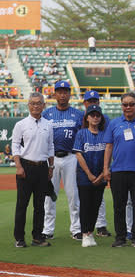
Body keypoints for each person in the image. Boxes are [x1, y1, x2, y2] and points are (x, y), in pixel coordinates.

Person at [103, 92, 135, 247]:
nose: (128, 107)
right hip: (118, 170)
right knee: (119, 205)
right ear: (121, 106)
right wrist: (106, 168)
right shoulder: (114, 123)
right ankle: (120, 237)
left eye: (131, 104)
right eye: (125, 104)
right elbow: (109, 146)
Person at [12, 92, 54, 248]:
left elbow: (51, 146)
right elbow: (15, 146)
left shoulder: (48, 125)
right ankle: (19, 238)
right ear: (28, 105)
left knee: (40, 205)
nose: (36, 105)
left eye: (39, 103)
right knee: (22, 205)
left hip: (42, 167)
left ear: (44, 105)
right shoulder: (21, 125)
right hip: (25, 166)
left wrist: (51, 166)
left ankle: (37, 237)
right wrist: (18, 166)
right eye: (33, 103)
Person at [43, 80, 84, 241]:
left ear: (69, 94)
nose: (62, 94)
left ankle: (76, 228)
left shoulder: (78, 114)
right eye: (59, 91)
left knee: (73, 195)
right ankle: (47, 229)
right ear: (54, 94)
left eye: (65, 91)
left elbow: (82, 138)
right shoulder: (47, 114)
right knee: (49, 196)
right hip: (51, 159)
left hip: (71, 157)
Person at [73, 104, 107, 247]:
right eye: (92, 115)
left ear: (100, 118)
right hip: (84, 176)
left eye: (97, 115)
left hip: (101, 176)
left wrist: (100, 175)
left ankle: (90, 232)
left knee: (96, 205)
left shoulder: (105, 134)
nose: (94, 117)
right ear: (87, 118)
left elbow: (108, 155)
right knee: (86, 205)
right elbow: (78, 154)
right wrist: (90, 175)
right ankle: (85, 233)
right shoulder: (81, 133)